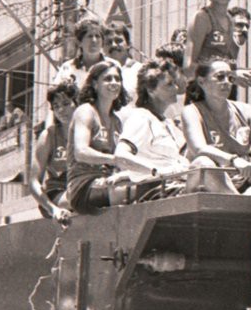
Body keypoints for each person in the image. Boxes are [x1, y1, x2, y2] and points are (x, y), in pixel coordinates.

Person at [181, 59, 251, 189]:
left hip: (242, 182)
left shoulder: (246, 110)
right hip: (205, 186)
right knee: (203, 162)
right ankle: (237, 204)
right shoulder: (191, 111)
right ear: (201, 82)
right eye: (220, 77)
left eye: (231, 78)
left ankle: (239, 203)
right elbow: (199, 148)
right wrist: (233, 160)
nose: (226, 82)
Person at [114, 60, 190, 193]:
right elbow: (121, 155)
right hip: (156, 191)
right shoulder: (141, 117)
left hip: (177, 186)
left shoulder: (167, 123)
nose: (176, 89)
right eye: (169, 85)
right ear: (151, 90)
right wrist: (154, 171)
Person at [66, 61, 129, 214]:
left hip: (108, 181)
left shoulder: (117, 121)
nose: (114, 83)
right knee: (126, 190)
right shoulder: (86, 112)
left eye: (117, 79)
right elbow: (81, 152)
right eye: (107, 79)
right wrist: (114, 159)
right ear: (95, 84)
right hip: (83, 185)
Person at [184, 0, 251, 89]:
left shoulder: (231, 20)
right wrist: (231, 75)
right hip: (202, 94)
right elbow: (188, 67)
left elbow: (229, 63)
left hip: (224, 91)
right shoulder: (202, 18)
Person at [29, 80, 77, 224]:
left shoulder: (92, 131)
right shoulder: (49, 136)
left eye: (66, 104)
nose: (61, 110)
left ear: (78, 104)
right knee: (82, 201)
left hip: (85, 187)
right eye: (56, 106)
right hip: (57, 193)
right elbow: (33, 181)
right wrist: (52, 209)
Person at [53, 17, 110, 86]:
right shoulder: (67, 68)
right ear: (79, 42)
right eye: (89, 36)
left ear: (103, 42)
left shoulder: (112, 66)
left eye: (97, 36)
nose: (94, 40)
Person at [104, 22, 142, 104]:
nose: (113, 45)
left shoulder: (140, 70)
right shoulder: (98, 71)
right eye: (109, 42)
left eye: (118, 41)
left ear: (128, 45)